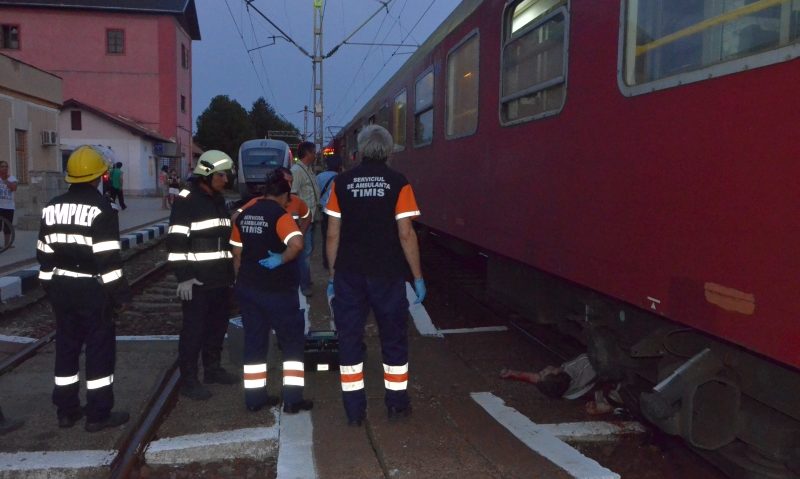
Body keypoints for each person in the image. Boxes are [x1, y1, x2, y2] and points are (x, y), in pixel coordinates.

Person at [324, 125, 426, 426]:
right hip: (387, 274)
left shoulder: (341, 183)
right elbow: (406, 234)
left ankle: (354, 411)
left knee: (350, 340)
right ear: (389, 150)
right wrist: (417, 276)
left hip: (349, 274)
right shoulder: (399, 182)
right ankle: (396, 404)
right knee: (393, 339)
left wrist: (332, 274)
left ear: (360, 150)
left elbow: (333, 233)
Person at [36, 145, 131, 432]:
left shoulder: (51, 206)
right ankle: (98, 414)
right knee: (99, 352)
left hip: (62, 288)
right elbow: (108, 262)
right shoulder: (102, 209)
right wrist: (120, 296)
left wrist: (50, 286)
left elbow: (43, 252)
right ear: (99, 176)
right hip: (93, 290)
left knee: (66, 348)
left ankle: (66, 411)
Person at [230, 171, 313, 414]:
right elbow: (297, 244)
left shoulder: (244, 215)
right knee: (292, 345)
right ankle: (292, 399)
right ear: (285, 195)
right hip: (278, 291)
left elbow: (236, 253)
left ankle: (255, 400)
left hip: (248, 288)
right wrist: (282, 258)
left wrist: (240, 279)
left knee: (255, 343)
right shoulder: (280, 215)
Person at [167, 150, 238, 400]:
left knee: (217, 327)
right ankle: (189, 380)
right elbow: (176, 242)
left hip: (220, 278)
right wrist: (184, 276)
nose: (226, 180)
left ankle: (212, 368)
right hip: (197, 281)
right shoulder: (187, 201)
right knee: (193, 331)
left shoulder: (218, 199)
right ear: (207, 174)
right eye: (223, 175)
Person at [291, 142, 321, 297]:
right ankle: (304, 285)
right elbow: (293, 196)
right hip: (304, 220)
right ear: (308, 153)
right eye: (314, 152)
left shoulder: (308, 170)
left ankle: (306, 280)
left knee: (308, 251)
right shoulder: (297, 171)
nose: (316, 155)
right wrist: (297, 222)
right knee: (305, 253)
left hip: (311, 217)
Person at [316, 155, 341, 270]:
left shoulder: (320, 176)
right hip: (338, 211)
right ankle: (337, 260)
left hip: (325, 210)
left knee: (326, 235)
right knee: (338, 236)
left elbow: (316, 193)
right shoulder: (342, 177)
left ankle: (326, 261)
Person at [0, 160, 17, 249]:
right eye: (2, 166)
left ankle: (7, 245)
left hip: (9, 207)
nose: (4, 168)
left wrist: (5, 180)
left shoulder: (12, 178)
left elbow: (14, 188)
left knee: (7, 227)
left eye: (6, 166)